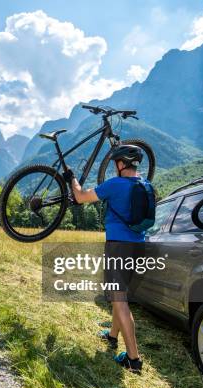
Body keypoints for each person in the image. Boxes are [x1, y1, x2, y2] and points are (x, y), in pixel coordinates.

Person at [64, 145, 152, 374]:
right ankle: (112, 337)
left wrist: (72, 179)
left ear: (121, 164)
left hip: (118, 247)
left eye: (115, 163)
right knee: (119, 296)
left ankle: (133, 360)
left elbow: (81, 197)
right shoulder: (146, 185)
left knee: (119, 300)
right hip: (138, 246)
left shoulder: (116, 184)